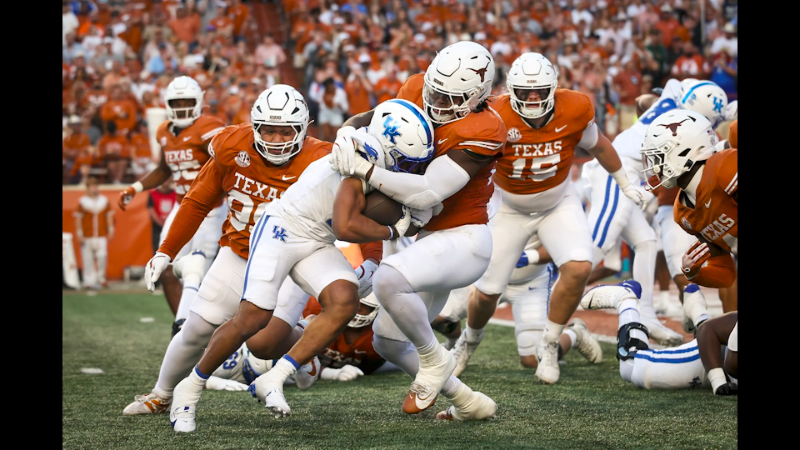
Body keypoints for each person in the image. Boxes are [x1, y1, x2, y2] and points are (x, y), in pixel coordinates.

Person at [168, 99, 434, 432]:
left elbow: (358, 131)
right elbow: (345, 226)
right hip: (282, 228)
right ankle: (188, 387)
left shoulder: (369, 145)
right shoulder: (359, 158)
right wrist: (396, 228)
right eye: (406, 160)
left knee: (343, 301)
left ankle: (276, 377)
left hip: (315, 238)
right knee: (253, 318)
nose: (408, 168)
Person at [121, 85, 331, 419]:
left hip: (294, 255)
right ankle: (161, 395)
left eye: (285, 131)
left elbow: (353, 206)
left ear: (303, 128)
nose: (276, 139)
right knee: (195, 329)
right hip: (240, 251)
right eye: (268, 130)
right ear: (254, 126)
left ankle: (303, 348)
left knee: (263, 342)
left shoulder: (323, 158)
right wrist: (166, 250)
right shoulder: (231, 146)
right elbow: (197, 201)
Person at [330, 40, 506, 421]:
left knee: (388, 281)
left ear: (479, 95)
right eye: (435, 93)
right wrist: (346, 136)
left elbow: (428, 192)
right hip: (428, 240)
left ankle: (433, 357)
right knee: (388, 342)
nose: (438, 105)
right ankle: (467, 402)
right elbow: (367, 121)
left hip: (465, 239)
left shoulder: (484, 128)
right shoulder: (413, 88)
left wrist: (365, 170)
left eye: (451, 99)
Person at [451, 52, 644, 385]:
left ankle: (551, 343)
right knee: (486, 293)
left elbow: (599, 146)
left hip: (558, 202)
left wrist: (625, 183)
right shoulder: (495, 113)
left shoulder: (575, 107)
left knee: (580, 265)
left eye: (540, 90)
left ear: (554, 87)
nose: (533, 98)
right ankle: (466, 343)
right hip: (510, 209)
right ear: (511, 91)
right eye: (525, 92)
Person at [117, 75, 227, 332]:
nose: (182, 107)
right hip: (181, 206)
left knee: (201, 268)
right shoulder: (164, 132)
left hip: (210, 210)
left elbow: (227, 163)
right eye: (177, 102)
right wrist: (136, 187)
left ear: (199, 102)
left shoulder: (209, 127)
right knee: (164, 266)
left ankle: (187, 327)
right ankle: (183, 323)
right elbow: (164, 168)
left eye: (187, 101)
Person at [579, 85, 685, 347]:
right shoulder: (685, 113)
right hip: (620, 172)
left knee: (646, 241)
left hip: (628, 172)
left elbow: (643, 100)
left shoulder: (672, 95)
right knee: (598, 245)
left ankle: (647, 315)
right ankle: (544, 294)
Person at [435, 233, 603, 370]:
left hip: (529, 283)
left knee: (534, 359)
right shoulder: (490, 194)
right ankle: (454, 344)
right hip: (487, 273)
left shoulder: (551, 198)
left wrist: (529, 256)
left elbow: (564, 246)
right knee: (435, 317)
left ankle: (574, 335)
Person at [641, 109, 737, 320]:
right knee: (711, 336)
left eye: (659, 157)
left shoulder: (724, 167)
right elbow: (725, 272)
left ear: (685, 151)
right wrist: (695, 273)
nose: (655, 168)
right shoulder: (682, 213)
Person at [579, 280, 737, 395]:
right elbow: (708, 331)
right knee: (631, 366)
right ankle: (626, 299)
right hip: (712, 358)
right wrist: (719, 381)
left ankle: (694, 304)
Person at [73, 176, 115, 290]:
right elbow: (78, 218)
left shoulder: (104, 200)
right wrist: (80, 234)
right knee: (87, 258)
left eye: (95, 186)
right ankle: (89, 281)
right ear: (87, 188)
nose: (94, 188)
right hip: (87, 234)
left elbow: (109, 216)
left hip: (101, 234)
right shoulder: (82, 201)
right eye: (91, 186)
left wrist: (111, 230)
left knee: (102, 256)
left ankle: (101, 278)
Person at [147, 178, 176, 254]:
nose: (166, 181)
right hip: (158, 229)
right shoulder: (152, 193)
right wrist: (163, 224)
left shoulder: (176, 194)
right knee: (157, 250)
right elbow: (151, 211)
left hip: (173, 227)